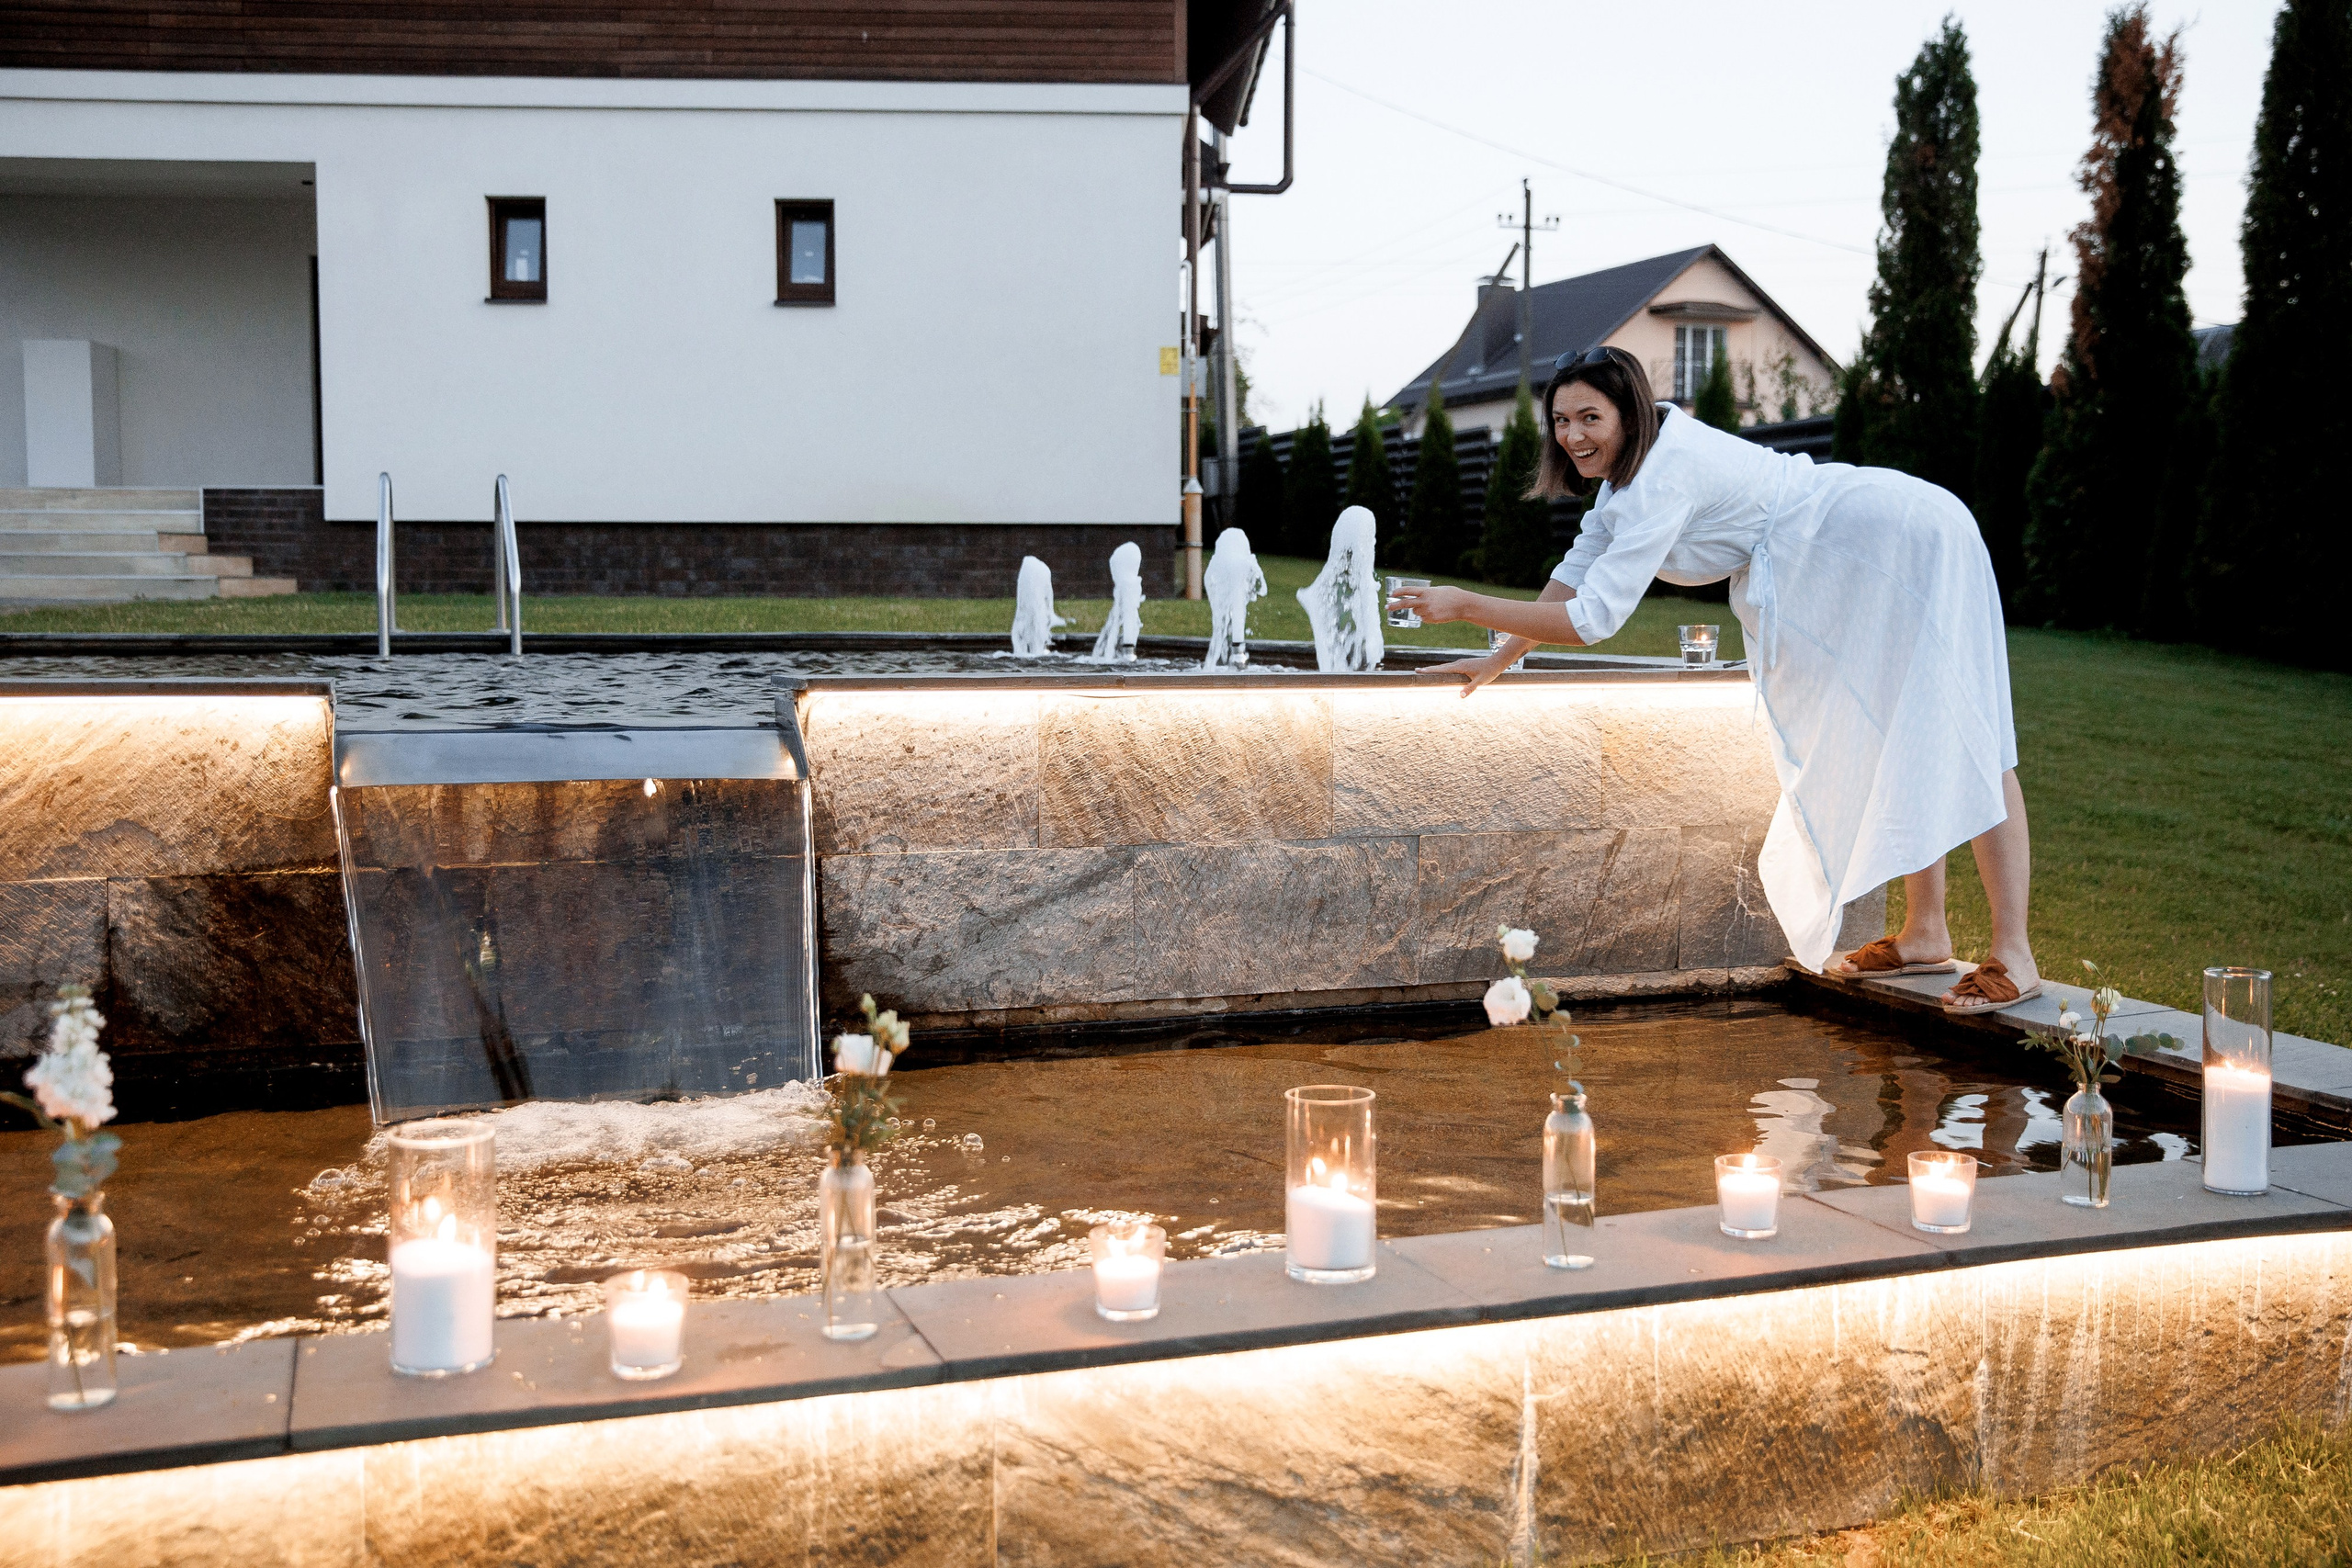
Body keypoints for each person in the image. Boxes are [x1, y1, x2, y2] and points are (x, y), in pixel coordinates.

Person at [1385, 347, 2038, 1013]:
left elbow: (1593, 619)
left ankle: (2014, 952)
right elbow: (1578, 569)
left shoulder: (1662, 477)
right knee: (1892, 730)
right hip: (1837, 559)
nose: (1573, 435)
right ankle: (1925, 932)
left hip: (1896, 542)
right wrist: (1500, 657)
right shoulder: (1627, 477)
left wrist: (1465, 604)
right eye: (1560, 419)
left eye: (1590, 417)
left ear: (1629, 412)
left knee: (1967, 731)